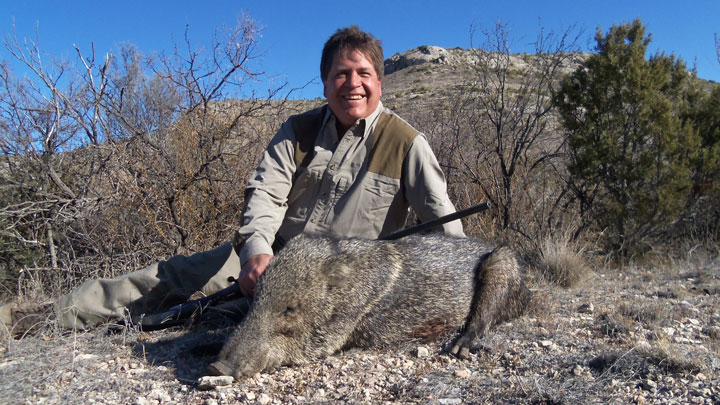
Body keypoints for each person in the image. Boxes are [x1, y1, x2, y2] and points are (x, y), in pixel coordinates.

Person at [1, 25, 464, 336]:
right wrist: (257, 252)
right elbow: (265, 193)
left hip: (345, 285)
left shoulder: (407, 144)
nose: (353, 84)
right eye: (341, 74)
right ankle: (35, 321)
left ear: (381, 82)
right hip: (271, 262)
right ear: (324, 83)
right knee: (168, 277)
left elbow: (448, 237)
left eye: (364, 73)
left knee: (215, 330)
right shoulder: (298, 131)